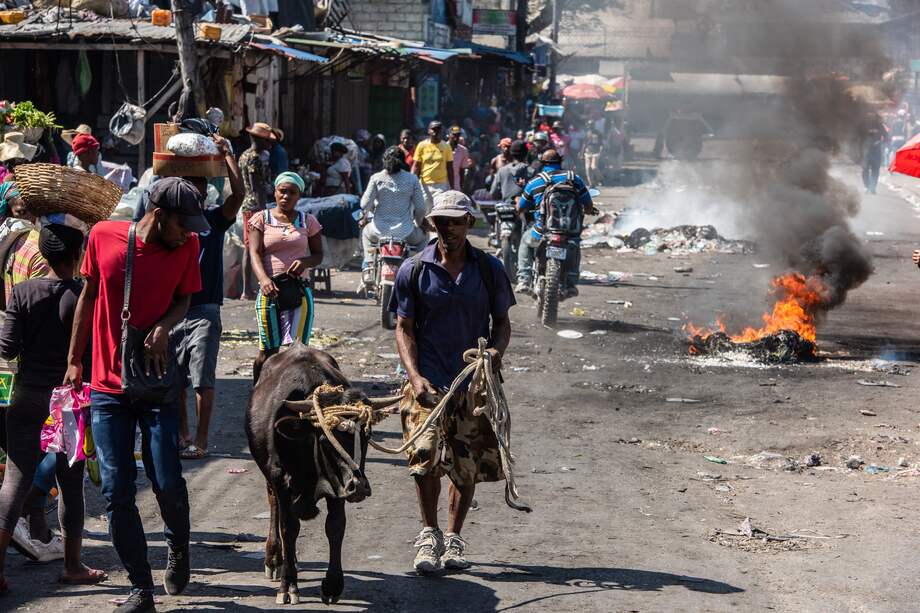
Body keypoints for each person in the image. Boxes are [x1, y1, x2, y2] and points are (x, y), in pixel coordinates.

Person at [64, 177, 206, 613]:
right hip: (108, 386)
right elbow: (88, 296)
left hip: (158, 384)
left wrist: (166, 326)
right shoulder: (103, 236)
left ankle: (177, 547)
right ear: (158, 214)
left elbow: (184, 299)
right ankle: (141, 587)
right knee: (116, 490)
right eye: (183, 223)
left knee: (166, 479)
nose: (189, 232)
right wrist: (74, 360)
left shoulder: (187, 247)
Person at [389, 190, 514, 574]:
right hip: (428, 381)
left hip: (472, 385)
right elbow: (403, 327)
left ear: (468, 223)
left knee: (465, 463)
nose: (449, 229)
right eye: (442, 222)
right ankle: (429, 535)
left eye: (456, 221)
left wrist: (494, 353)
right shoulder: (414, 268)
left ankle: (454, 539)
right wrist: (415, 376)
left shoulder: (489, 268)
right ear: (432, 225)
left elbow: (503, 324)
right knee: (423, 458)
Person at [0, 224, 105, 595]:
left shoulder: (23, 292)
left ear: (42, 256)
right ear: (77, 256)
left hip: (26, 397)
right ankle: (73, 566)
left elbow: (7, 348)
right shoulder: (84, 296)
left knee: (14, 481)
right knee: (71, 486)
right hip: (70, 404)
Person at [173, 137, 244, 460]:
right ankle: (182, 434)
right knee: (174, 380)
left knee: (202, 379)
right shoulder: (171, 223)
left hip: (204, 310)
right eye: (190, 190)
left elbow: (239, 195)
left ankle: (200, 440)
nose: (197, 195)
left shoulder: (213, 221)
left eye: (200, 190)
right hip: (172, 310)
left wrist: (228, 155)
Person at [248, 172, 323, 382]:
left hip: (298, 292)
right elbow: (254, 252)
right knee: (268, 351)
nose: (286, 196)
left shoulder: (308, 221)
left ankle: (291, 396)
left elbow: (318, 255)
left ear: (299, 196)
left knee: (296, 351)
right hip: (269, 291)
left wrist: (306, 262)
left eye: (292, 192)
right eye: (282, 191)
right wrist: (263, 279)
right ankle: (258, 393)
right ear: (275, 192)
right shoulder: (261, 219)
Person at [516, 149, 595, 297]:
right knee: (575, 246)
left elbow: (521, 207)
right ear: (560, 162)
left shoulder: (535, 182)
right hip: (569, 232)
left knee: (526, 241)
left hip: (542, 231)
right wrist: (588, 211)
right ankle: (571, 283)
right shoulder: (574, 178)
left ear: (542, 163)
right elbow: (588, 205)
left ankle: (524, 279)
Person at [360, 146, 428, 283]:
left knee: (365, 233)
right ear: (403, 161)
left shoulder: (376, 178)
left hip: (378, 231)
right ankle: (419, 270)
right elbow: (421, 207)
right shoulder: (412, 179)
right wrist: (420, 223)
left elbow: (364, 205)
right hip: (406, 232)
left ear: (384, 160)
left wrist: (367, 213)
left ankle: (368, 266)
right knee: (423, 238)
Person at [239, 122, 278, 299]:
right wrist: (264, 212)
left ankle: (249, 288)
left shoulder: (244, 155)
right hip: (254, 207)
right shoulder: (253, 157)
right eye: (267, 141)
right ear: (258, 139)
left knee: (251, 247)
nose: (269, 144)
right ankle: (247, 290)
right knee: (251, 247)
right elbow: (257, 188)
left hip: (248, 205)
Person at [412, 121, 455, 210]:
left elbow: (450, 168)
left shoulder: (446, 147)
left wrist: (452, 188)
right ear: (428, 131)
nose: (436, 132)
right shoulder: (421, 145)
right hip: (424, 185)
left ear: (442, 132)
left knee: (439, 210)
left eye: (438, 130)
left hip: (441, 185)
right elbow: (416, 166)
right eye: (433, 129)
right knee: (424, 211)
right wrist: (411, 182)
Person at [862, 112, 886, 195]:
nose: (871, 117)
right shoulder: (863, 126)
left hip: (876, 152)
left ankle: (873, 187)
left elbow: (887, 137)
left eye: (872, 115)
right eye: (869, 115)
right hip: (866, 151)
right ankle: (866, 186)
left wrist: (879, 142)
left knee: (875, 170)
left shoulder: (880, 126)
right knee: (865, 169)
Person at [447, 126, 473, 194]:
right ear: (448, 135)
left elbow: (462, 171)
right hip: (443, 186)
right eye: (454, 135)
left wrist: (461, 187)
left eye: (458, 135)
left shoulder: (463, 150)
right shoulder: (442, 148)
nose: (456, 138)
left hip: (456, 186)